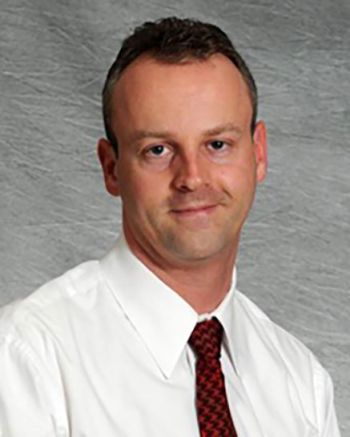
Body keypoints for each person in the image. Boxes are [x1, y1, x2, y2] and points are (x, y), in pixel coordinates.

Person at [0, 17, 340, 437]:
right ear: (111, 168)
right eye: (157, 150)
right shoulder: (28, 359)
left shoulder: (300, 383)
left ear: (258, 154)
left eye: (217, 145)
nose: (192, 178)